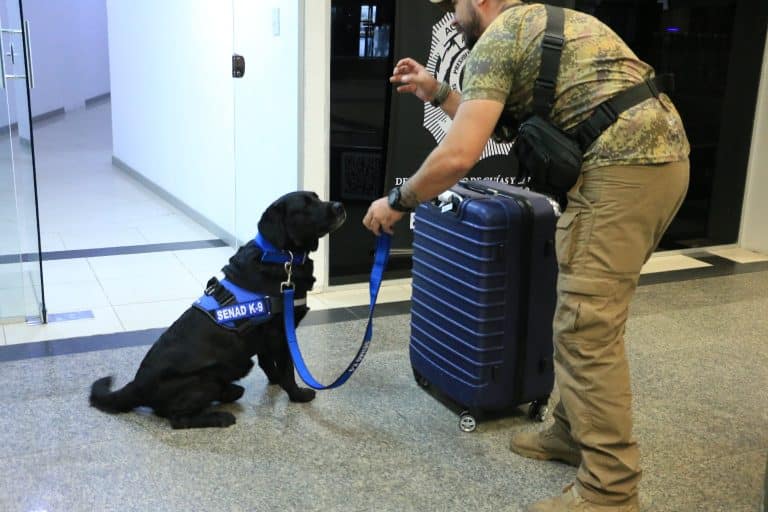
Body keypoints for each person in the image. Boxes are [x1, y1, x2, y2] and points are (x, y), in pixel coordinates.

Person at [362, 1, 690, 511]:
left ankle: (610, 491)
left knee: (586, 326)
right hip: (659, 162)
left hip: (623, 170)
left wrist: (398, 202)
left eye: (458, 4)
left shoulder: (497, 38)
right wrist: (438, 91)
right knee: (590, 313)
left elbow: (458, 154)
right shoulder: (541, 25)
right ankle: (570, 432)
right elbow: (493, 126)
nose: (455, 13)